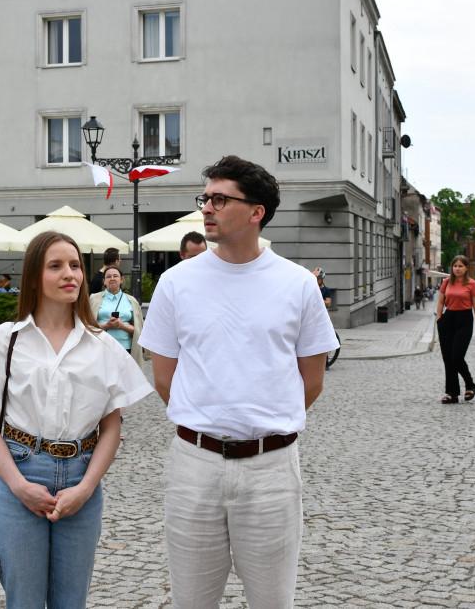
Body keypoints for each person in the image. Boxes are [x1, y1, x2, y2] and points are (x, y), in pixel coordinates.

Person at [139, 156, 336, 607]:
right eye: (205, 197)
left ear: (256, 212)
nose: (207, 207)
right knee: (192, 600)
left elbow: (312, 380)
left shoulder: (297, 285)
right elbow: (164, 379)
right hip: (194, 463)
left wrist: (260, 419)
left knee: (272, 600)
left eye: (220, 198)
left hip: (271, 467)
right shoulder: (175, 283)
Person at [0, 231, 152, 604]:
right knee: (24, 599)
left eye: (75, 265)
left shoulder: (102, 345)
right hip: (21, 474)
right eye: (55, 266)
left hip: (81, 478)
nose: (70, 274)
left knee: (70, 600)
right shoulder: (6, 339)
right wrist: (19, 486)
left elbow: (112, 427)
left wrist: (87, 488)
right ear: (33, 277)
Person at [436, 255, 475, 404]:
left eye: (460, 266)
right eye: (455, 266)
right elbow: (440, 302)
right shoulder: (446, 282)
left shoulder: (472, 284)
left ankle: (470, 384)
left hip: (464, 320)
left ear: (466, 268)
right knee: (447, 359)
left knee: (456, 356)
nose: (457, 269)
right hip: (447, 319)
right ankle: (452, 393)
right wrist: (439, 320)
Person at [88, 265, 145, 367]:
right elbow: (86, 324)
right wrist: (106, 326)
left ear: (121, 279)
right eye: (108, 276)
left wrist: (121, 325)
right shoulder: (94, 299)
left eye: (115, 276)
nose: (112, 279)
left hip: (125, 349)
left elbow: (137, 330)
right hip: (101, 348)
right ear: (104, 280)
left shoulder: (131, 301)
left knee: (125, 381)